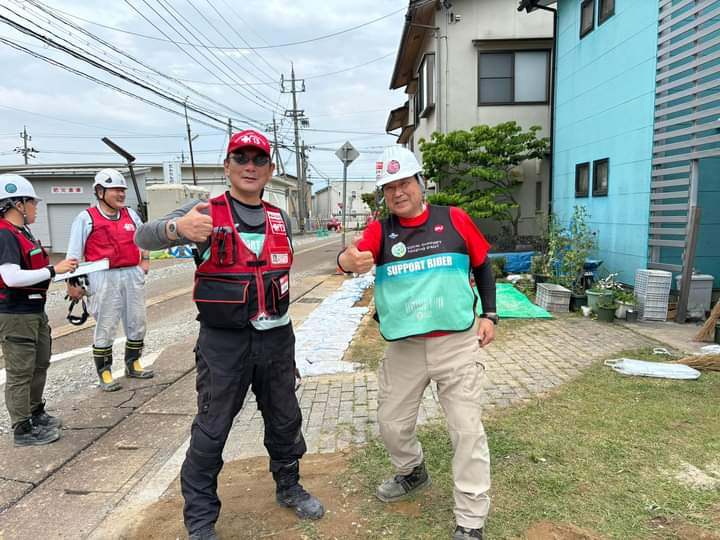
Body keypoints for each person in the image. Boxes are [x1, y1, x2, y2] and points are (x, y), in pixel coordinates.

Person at [134, 129, 324, 540]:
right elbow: (142, 236)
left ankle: (289, 487)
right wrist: (176, 230)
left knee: (285, 420)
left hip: (276, 339)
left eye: (258, 160)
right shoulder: (203, 210)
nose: (250, 166)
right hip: (224, 344)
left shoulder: (281, 217)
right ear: (227, 167)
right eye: (241, 159)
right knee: (212, 430)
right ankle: (201, 522)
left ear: (271, 170)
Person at [338, 146, 498, 540]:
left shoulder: (454, 219)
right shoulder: (381, 230)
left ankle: (471, 520)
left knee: (467, 430)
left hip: (457, 343)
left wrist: (490, 314)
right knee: (391, 424)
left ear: (420, 183)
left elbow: (483, 264)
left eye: (404, 182)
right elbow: (353, 256)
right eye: (389, 187)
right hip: (405, 348)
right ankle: (412, 470)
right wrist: (348, 261)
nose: (398, 192)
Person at [0, 174, 78, 446]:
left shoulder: (23, 232)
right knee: (20, 371)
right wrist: (52, 270)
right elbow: (10, 277)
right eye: (32, 202)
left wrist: (60, 273)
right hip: (15, 313)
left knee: (40, 364)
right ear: (18, 204)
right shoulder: (4, 234)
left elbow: (34, 271)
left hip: (34, 311)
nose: (35, 208)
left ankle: (35, 413)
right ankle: (22, 428)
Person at [65, 168, 152, 392]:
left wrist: (145, 262)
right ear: (100, 191)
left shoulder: (131, 215)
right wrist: (72, 283)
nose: (121, 194)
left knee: (137, 319)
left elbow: (143, 238)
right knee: (106, 323)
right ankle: (105, 371)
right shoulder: (86, 218)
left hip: (131, 273)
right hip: (102, 276)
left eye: (123, 190)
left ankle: (133, 363)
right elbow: (73, 253)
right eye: (116, 190)